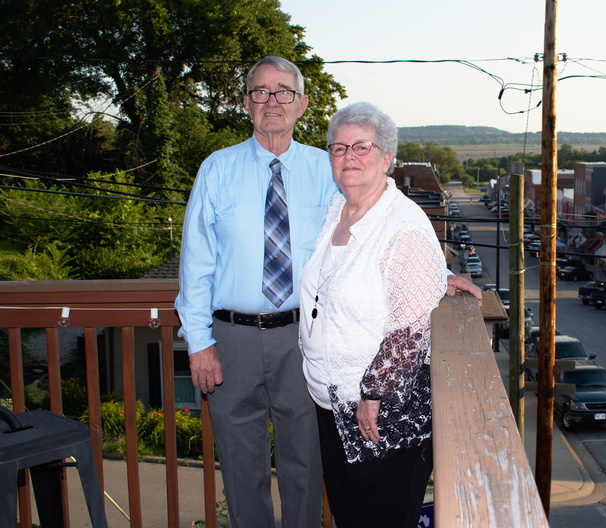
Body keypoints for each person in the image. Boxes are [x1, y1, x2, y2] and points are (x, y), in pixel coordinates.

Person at [175, 57, 480, 528]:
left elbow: (380, 216)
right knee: (239, 465)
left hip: (301, 341)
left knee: (306, 463)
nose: (272, 102)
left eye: (284, 92)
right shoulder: (217, 170)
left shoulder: (330, 167)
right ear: (246, 103)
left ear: (302, 104)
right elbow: (196, 262)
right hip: (231, 339)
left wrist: (437, 273)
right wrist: (199, 342)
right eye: (260, 92)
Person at [299, 102, 446, 528]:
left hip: (379, 416)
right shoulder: (338, 209)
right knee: (350, 516)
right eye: (339, 147)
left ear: (386, 158)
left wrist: (372, 394)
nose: (349, 156)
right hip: (331, 404)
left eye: (361, 147)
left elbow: (412, 326)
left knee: (380, 518)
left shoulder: (403, 226)